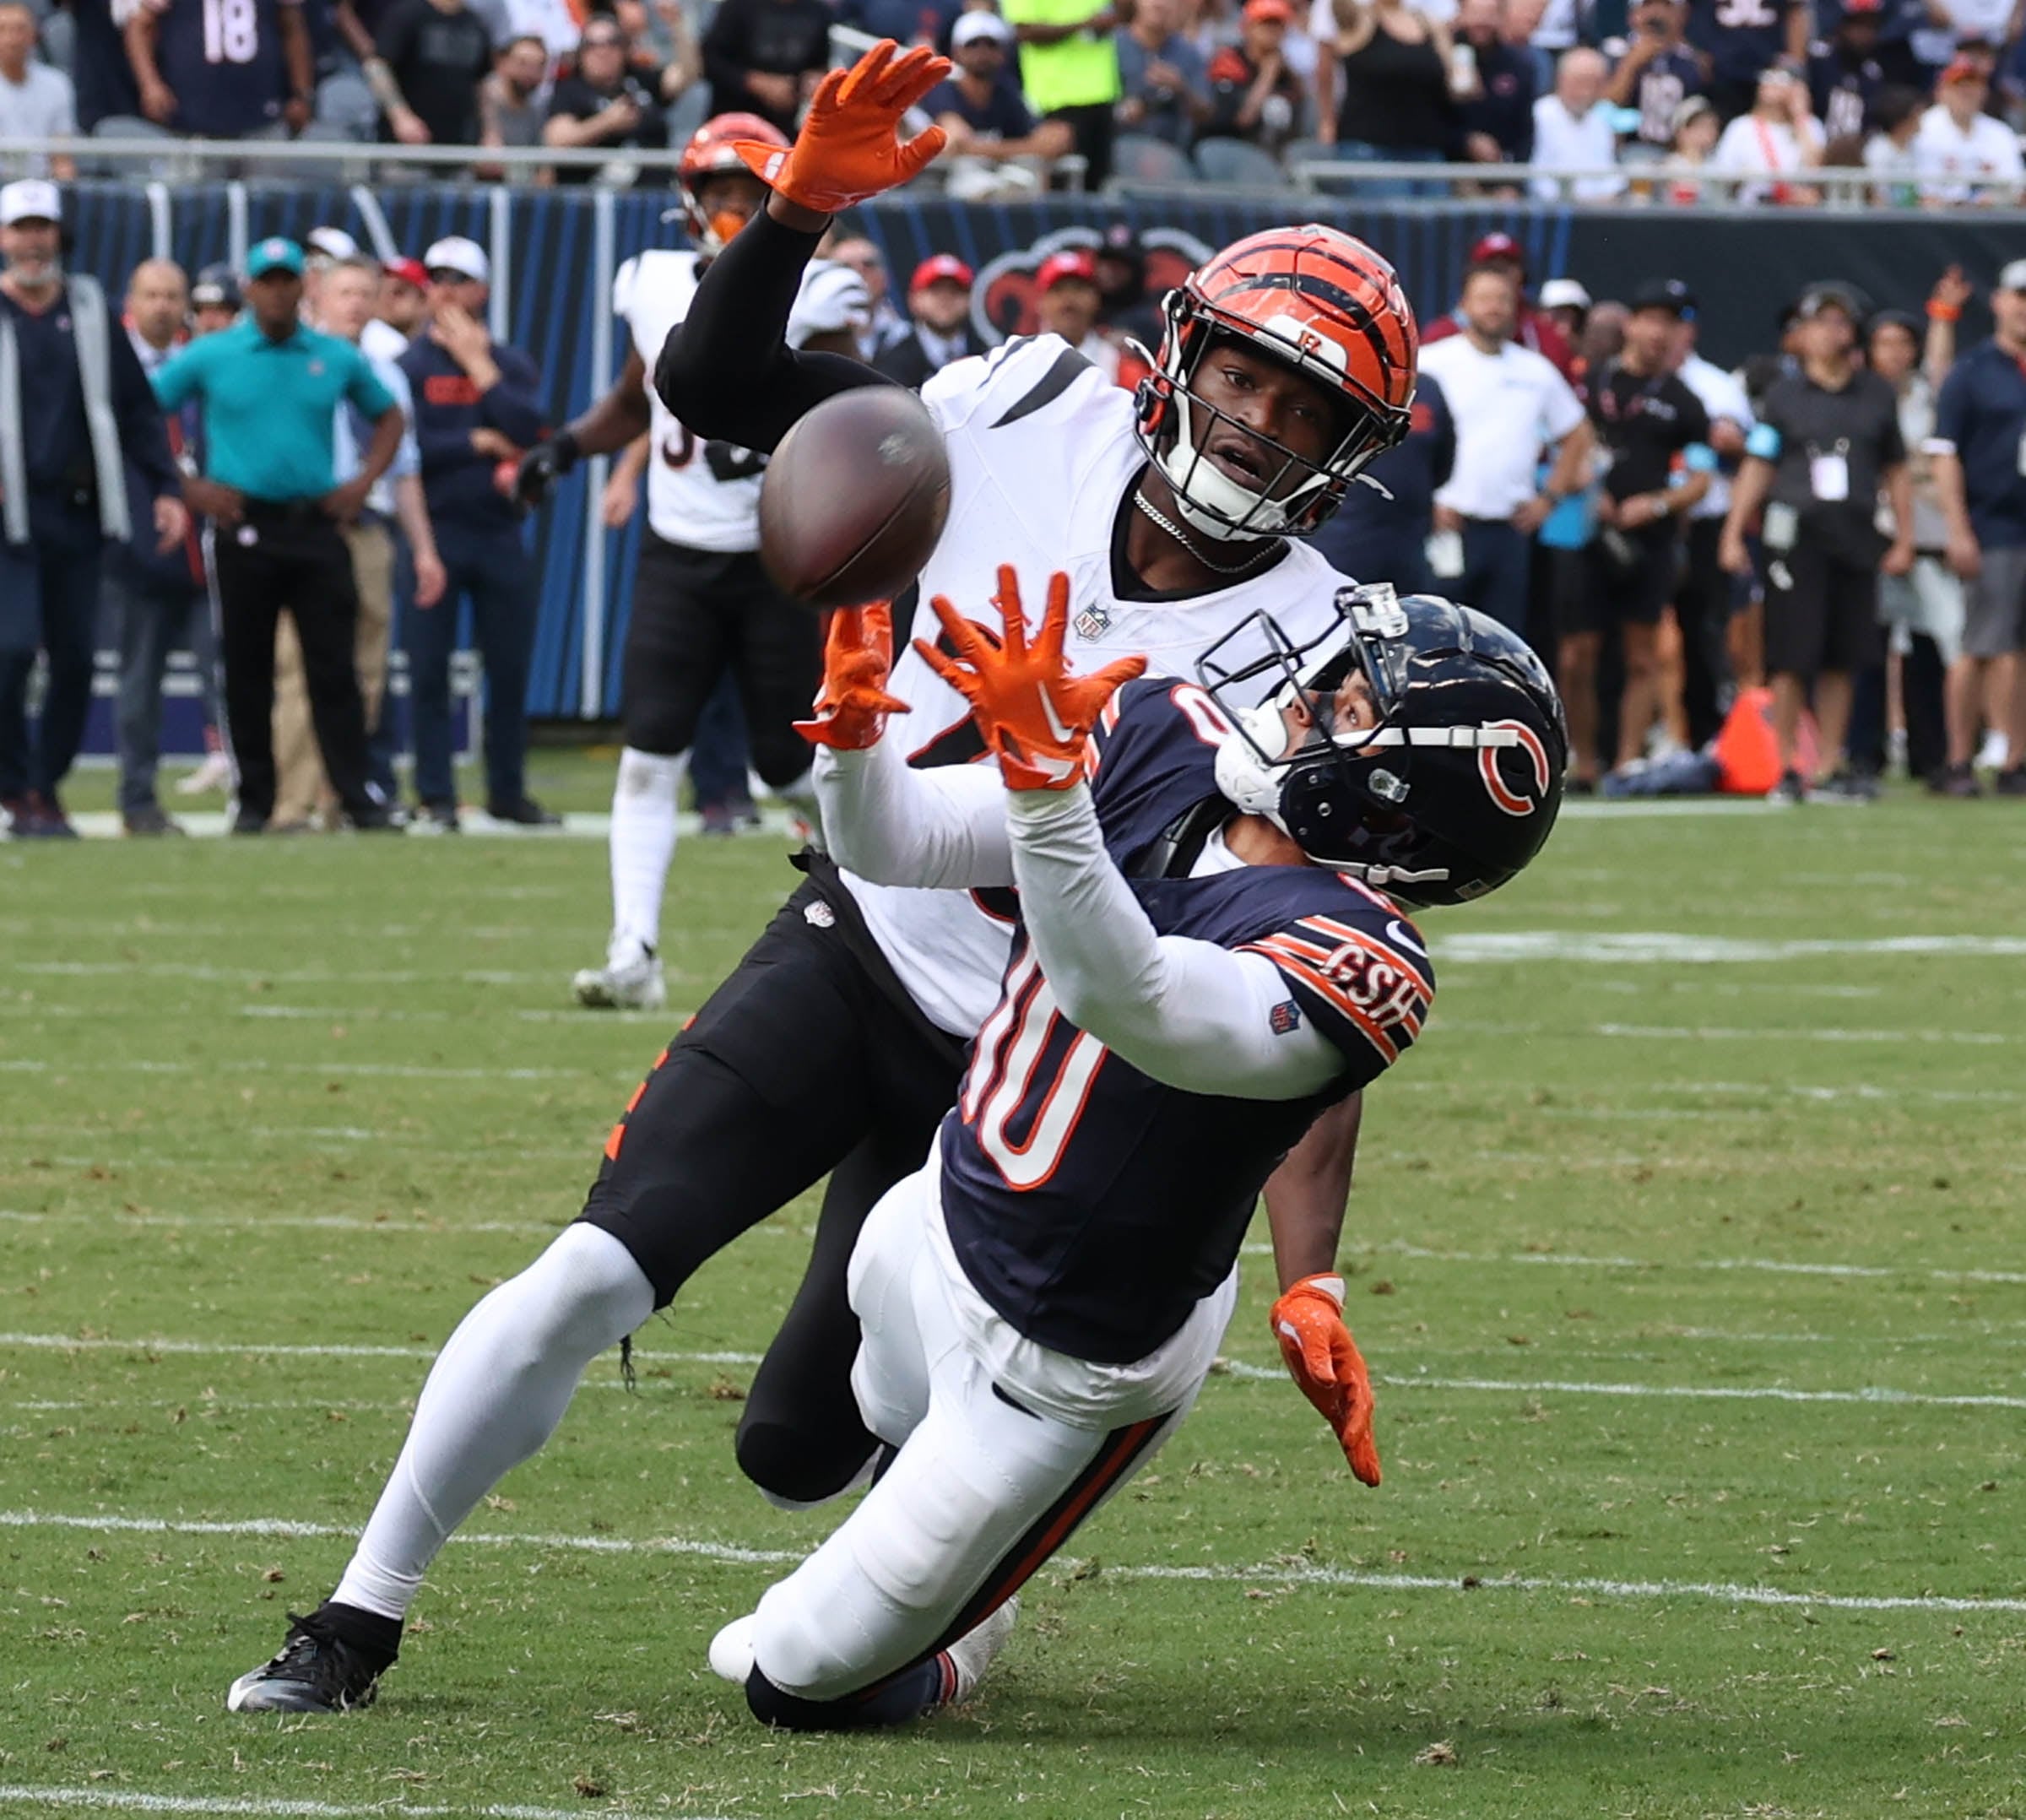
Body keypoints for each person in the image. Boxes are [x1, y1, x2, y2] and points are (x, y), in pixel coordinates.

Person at [219, 41, 1419, 1714]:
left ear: (1345, 452)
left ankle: (933, 1611)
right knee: (591, 1267)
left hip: (1024, 1067)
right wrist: (788, 214)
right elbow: (715, 388)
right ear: (1181, 353)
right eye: (1249, 376)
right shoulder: (1031, 405)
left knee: (803, 1438)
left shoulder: (1307, 651)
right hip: (859, 934)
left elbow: (1313, 988)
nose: (1259, 422)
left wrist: (1311, 1270)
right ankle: (355, 1613)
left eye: (1306, 410)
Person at [704, 576, 1565, 1731]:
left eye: (1351, 707)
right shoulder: (1163, 730)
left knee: (785, 1679)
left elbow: (1128, 992)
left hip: (1058, 1365)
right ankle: (959, 1565)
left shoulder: (1365, 964)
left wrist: (1048, 788)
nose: (1307, 700)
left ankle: (964, 1636)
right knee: (872, 1398)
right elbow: (885, 838)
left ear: (1396, 810)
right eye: (1334, 677)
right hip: (934, 1217)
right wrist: (855, 736)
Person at [512, 113, 871, 1005]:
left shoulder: (819, 287)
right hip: (678, 554)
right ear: (689, 202)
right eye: (720, 197)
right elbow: (639, 397)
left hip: (775, 556)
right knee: (649, 750)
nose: (733, 213)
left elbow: (843, 403)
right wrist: (567, 446)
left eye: (751, 198)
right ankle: (632, 948)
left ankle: (883, 901)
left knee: (789, 763)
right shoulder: (651, 281)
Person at [151, 236, 405, 835]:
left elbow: (390, 415)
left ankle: (353, 794)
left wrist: (362, 480)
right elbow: (144, 410)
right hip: (244, 525)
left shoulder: (332, 355)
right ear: (250, 289)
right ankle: (255, 799)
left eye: (287, 280)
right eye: (267, 281)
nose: (277, 291)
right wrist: (189, 487)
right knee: (247, 669)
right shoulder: (214, 354)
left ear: (302, 287)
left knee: (333, 669)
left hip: (316, 523)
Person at [0, 180, 182, 840]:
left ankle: (45, 786)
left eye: (42, 227)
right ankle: (14, 784)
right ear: (2, 238)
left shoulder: (90, 309)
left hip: (77, 511)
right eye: (21, 229)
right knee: (13, 650)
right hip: (8, 517)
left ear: (59, 235)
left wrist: (164, 487)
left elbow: (135, 408)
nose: (32, 241)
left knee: (75, 659)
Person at [1720, 283, 1915, 802]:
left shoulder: (1875, 393)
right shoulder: (1783, 396)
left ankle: (1828, 763)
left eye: (1841, 323)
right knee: (1791, 655)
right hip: (1796, 540)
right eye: (1822, 322)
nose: (1833, 332)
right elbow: (1759, 464)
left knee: (1843, 656)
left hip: (1854, 538)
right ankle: (1786, 763)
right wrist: (1734, 529)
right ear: (1801, 334)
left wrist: (1905, 537)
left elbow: (1896, 470)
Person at [271, 256, 445, 832]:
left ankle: (338, 795)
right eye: (345, 292)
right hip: (309, 525)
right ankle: (289, 802)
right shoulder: (292, 361)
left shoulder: (385, 371)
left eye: (366, 294)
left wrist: (423, 548)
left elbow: (407, 469)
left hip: (369, 528)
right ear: (316, 295)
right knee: (299, 667)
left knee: (365, 668)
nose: (356, 304)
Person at [396, 235, 551, 829]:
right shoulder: (411, 365)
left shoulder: (507, 364)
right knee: (429, 668)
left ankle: (507, 793)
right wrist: (475, 442)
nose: (447, 292)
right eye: (437, 280)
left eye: (459, 280)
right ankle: (435, 794)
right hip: (435, 533)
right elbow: (405, 448)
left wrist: (480, 369)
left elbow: (531, 433)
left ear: (482, 290)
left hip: (498, 532)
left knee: (508, 672)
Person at [1565, 277, 1712, 785]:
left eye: (1669, 324)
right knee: (1576, 652)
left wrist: (1656, 504)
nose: (1657, 332)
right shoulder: (1591, 381)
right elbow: (1567, 443)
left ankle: (1626, 760)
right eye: (1650, 319)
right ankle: (1581, 759)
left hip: (1649, 541)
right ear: (1631, 323)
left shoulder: (1685, 402)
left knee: (1642, 655)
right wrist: (1590, 488)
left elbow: (1700, 479)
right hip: (1588, 532)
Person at [1419, 263, 1592, 640]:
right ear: (1464, 304)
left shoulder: (1536, 371)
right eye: (1484, 298)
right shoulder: (1431, 363)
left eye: (1502, 299)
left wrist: (1549, 499)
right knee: (1435, 637)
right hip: (1446, 525)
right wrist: (1424, 502)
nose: (1493, 308)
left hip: (1509, 531)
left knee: (1500, 643)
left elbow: (1578, 434)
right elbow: (1403, 438)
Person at [108, 256, 218, 837]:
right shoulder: (109, 362)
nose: (162, 306)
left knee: (224, 671)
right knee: (139, 681)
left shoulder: (199, 365)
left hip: (210, 546)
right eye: (151, 294)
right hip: (143, 545)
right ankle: (137, 797)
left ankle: (251, 790)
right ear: (131, 300)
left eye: (173, 295)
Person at [1927, 257, 2026, 796]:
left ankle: (2016, 759)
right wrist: (1958, 528)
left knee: (2016, 648)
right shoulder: (1974, 370)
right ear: (2000, 301)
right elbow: (1944, 453)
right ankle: (1961, 759)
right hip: (1994, 522)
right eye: (2020, 296)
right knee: (1985, 645)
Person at [1865, 301, 1964, 790]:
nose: (1894, 354)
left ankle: (1932, 753)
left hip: (1923, 535)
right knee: (1868, 649)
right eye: (1885, 343)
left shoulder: (1928, 397)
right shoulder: (1859, 396)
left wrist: (1943, 315)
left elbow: (1942, 372)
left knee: (1929, 647)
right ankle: (1864, 753)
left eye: (1904, 343)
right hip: (1870, 537)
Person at [1671, 288, 1754, 750]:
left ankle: (1707, 732)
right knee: (1649, 640)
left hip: (1706, 519)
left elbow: (1752, 454)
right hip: (1654, 520)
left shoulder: (1718, 385)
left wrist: (1733, 441)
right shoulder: (1642, 380)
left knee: (1706, 632)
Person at [1310, 369, 1454, 593]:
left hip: (1409, 542)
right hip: (1341, 538)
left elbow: (1444, 461)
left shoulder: (1427, 388)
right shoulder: (1340, 379)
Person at [125, 0, 313, 138]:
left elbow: (293, 30)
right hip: (190, 115)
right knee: (195, 190)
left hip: (261, 112)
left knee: (265, 188)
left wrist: (301, 93)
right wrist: (150, 85)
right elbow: (140, 27)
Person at [925, 8, 1077, 176]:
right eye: (972, 45)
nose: (982, 52)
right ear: (956, 51)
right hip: (948, 186)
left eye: (991, 44)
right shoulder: (943, 89)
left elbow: (1055, 140)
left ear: (1003, 53)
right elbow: (956, 142)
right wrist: (1029, 149)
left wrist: (979, 150)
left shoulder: (1006, 91)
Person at [1317, 0, 1463, 169]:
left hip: (1427, 148)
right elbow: (1325, 69)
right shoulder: (1360, 20)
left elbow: (1454, 79)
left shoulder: (1429, 23)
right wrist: (1327, 120)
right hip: (1371, 149)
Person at [543, 16, 688, 183]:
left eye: (612, 43)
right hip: (592, 198)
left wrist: (676, 22)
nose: (603, 51)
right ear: (580, 53)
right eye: (592, 45)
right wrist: (607, 122)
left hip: (652, 195)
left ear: (624, 49)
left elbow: (688, 74)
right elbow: (557, 141)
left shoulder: (641, 78)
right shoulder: (569, 89)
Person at [1000, 0, 1127, 187]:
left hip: (1102, 95)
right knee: (1061, 191)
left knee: (1098, 188)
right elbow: (1024, 31)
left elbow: (1126, 14)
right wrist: (1084, 25)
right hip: (1056, 99)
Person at [1419, 231, 1575, 376]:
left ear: (1522, 274)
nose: (1499, 273)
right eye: (1489, 265)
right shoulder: (1440, 334)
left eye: (1507, 266)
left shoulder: (1545, 338)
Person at [364, 0, 496, 151]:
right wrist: (400, 117)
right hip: (406, 147)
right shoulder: (408, 13)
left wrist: (490, 132)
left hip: (459, 148)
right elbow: (377, 66)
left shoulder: (476, 23)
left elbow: (483, 82)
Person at [699, 0, 832, 136]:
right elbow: (709, 61)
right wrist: (755, 82)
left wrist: (813, 81)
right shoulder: (737, 6)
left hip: (785, 126)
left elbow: (820, 65)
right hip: (734, 122)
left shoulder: (818, 11)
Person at [1200, 0, 1308, 156]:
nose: (1273, 31)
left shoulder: (1285, 68)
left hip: (1274, 154)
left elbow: (1304, 109)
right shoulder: (1228, 61)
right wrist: (1268, 75)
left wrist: (1289, 74)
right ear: (1247, 27)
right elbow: (1242, 119)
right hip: (1229, 151)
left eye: (1279, 25)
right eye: (1266, 24)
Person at [1912, 54, 2023, 203]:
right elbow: (1921, 192)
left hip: (1991, 218)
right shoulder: (1922, 127)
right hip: (1937, 220)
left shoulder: (2000, 132)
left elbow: (2016, 187)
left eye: (1974, 85)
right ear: (1941, 92)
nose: (1967, 93)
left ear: (1985, 92)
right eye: (1959, 86)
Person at [1709, 65, 1824, 203]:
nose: (1772, 83)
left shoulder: (1810, 125)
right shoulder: (1741, 126)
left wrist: (1799, 116)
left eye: (1781, 79)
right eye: (1767, 77)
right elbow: (1722, 174)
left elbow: (1817, 171)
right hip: (1752, 211)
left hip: (1797, 212)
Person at [1606, 0, 1708, 156]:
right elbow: (1605, 106)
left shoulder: (1690, 60)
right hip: (1627, 148)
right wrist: (1631, 65)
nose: (1657, 13)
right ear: (1633, 14)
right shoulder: (1616, 50)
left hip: (1676, 152)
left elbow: (1697, 114)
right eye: (1648, 5)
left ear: (1680, 15)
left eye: (1666, 6)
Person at [874, 252, 984, 388]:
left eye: (955, 290)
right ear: (914, 300)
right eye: (935, 291)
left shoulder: (987, 353)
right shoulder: (893, 362)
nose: (945, 299)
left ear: (970, 300)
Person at [1685, 0, 1807, 122]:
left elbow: (1795, 12)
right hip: (1721, 74)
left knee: (1772, 130)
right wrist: (1698, 54)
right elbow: (1684, 11)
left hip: (1770, 74)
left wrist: (1795, 65)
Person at [1529, 46, 1624, 199]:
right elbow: (1538, 177)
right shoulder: (1540, 113)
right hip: (1550, 209)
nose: (1587, 90)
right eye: (1581, 81)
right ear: (1561, 79)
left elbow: (1610, 176)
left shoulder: (1601, 118)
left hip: (1600, 210)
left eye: (1595, 83)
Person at [1114, 0, 1212, 147]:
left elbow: (1206, 114)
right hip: (1120, 151)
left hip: (1173, 155)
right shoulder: (1113, 46)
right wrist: (1124, 110)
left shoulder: (1188, 53)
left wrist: (1181, 88)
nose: (1159, 4)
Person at [1452, 0, 1536, 171]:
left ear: (1502, 17)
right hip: (1446, 169)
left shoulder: (1518, 65)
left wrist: (1514, 183)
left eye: (1490, 14)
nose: (1481, 21)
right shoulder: (1442, 58)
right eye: (1475, 13)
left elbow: (1525, 130)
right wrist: (1466, 140)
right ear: (1461, 14)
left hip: (1501, 171)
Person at [0, 0, 77, 181]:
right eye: (3, 30)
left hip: (43, 187)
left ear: (33, 34)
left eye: (20, 29)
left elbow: (62, 157)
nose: (12, 39)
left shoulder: (57, 83)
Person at [1808, 0, 1888, 144]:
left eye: (1871, 27)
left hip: (1856, 154)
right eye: (1858, 26)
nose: (1865, 34)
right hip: (1817, 146)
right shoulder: (1819, 61)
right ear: (1842, 26)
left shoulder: (1872, 73)